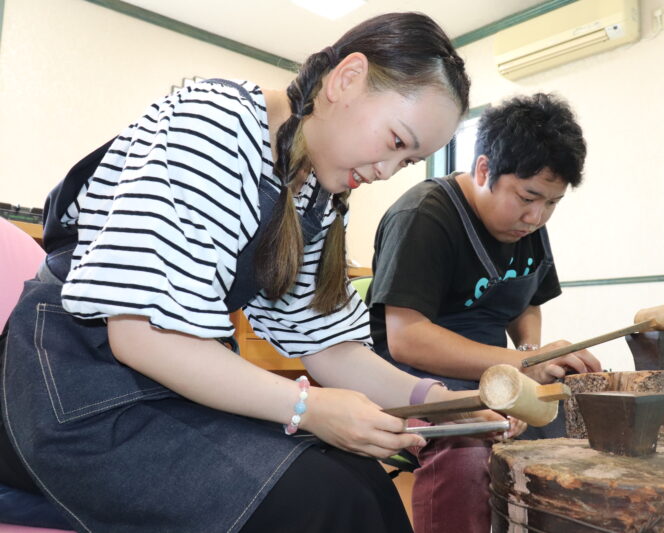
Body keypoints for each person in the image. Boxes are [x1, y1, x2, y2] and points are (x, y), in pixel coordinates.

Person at [0, 12, 513, 533]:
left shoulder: (318, 192)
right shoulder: (213, 122)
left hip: (164, 386)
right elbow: (142, 336)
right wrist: (308, 407)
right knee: (327, 500)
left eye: (408, 161)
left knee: (358, 478)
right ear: (347, 79)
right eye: (396, 142)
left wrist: (442, 402)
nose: (386, 171)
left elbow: (330, 349)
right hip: (75, 389)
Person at [368, 93, 603, 533]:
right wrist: (522, 364)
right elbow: (407, 338)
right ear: (482, 170)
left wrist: (532, 355)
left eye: (552, 203)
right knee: (469, 442)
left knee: (579, 416)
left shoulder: (528, 226)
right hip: (411, 379)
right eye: (528, 197)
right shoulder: (424, 215)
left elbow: (528, 299)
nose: (536, 216)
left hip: (493, 373)